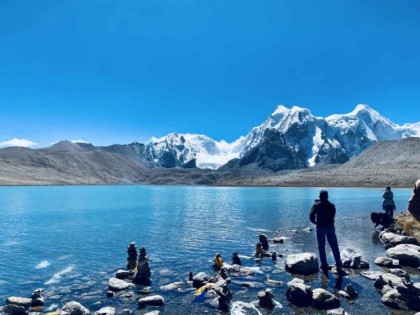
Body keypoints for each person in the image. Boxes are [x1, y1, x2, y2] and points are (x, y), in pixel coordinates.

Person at [310, 189, 346, 276]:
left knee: (321, 247)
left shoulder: (316, 205)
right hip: (330, 227)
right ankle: (338, 263)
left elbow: (311, 215)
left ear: (320, 197)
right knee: (334, 246)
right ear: (327, 197)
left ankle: (324, 265)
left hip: (320, 227)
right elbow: (333, 215)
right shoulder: (331, 205)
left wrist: (314, 222)